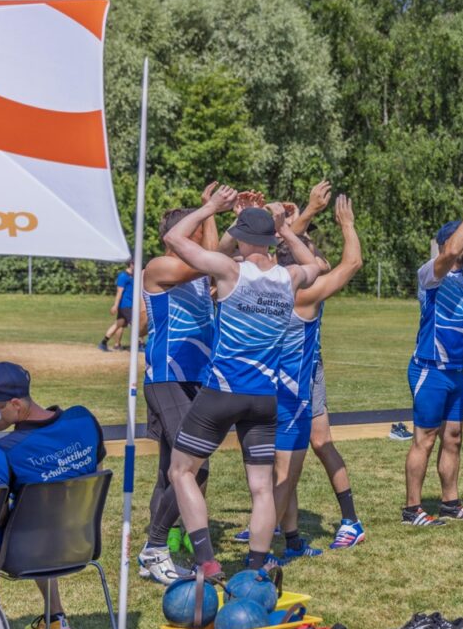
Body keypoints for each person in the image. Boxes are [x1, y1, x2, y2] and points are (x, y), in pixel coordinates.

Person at [164, 192, 320, 580]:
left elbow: (174, 240)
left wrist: (209, 209)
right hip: (264, 398)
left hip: (222, 391)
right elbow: (314, 265)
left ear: (243, 239)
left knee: (181, 471)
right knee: (262, 487)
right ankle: (257, 565)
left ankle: (206, 560)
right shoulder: (288, 278)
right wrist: (285, 229)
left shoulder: (230, 271)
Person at [138, 183, 244, 585]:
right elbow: (212, 257)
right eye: (197, 233)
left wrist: (226, 214)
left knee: (171, 471)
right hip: (167, 378)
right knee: (194, 468)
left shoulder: (199, 271)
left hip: (194, 380)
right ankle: (155, 547)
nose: (202, 242)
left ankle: (154, 554)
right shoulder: (159, 267)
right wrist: (210, 209)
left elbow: (218, 252)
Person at [0, 361, 106, 629]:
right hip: (81, 541)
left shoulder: (7, 451)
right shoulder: (83, 420)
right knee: (43, 518)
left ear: (15, 404)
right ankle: (55, 618)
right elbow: (96, 474)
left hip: (27, 552)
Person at [272, 194, 363, 558]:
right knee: (288, 460)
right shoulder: (304, 292)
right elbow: (350, 262)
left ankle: (339, 523)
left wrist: (295, 220)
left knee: (312, 446)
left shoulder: (269, 281)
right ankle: (284, 531)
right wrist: (346, 225)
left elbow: (292, 251)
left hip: (290, 376)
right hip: (295, 378)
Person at [403, 181, 463, 528]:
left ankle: (450, 503)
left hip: (456, 369)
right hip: (430, 368)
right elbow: (452, 251)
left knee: (453, 438)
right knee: (424, 439)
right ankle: (412, 509)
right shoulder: (431, 271)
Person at [99, 260, 137, 352]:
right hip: (126, 305)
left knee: (118, 324)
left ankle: (103, 343)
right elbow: (119, 292)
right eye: (135, 264)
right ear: (131, 264)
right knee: (136, 324)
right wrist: (115, 305)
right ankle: (138, 344)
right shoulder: (123, 276)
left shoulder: (134, 275)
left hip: (130, 304)